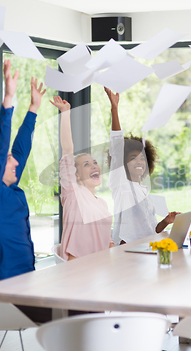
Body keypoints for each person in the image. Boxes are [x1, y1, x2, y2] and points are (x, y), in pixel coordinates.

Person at [0, 60, 45, 284]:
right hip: (2, 285)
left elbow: (21, 148)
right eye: (8, 160)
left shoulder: (9, 186)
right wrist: (8, 99)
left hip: (26, 278)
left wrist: (33, 109)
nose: (16, 163)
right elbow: (0, 148)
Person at [105, 87, 179, 245]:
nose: (139, 162)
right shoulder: (120, 183)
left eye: (142, 158)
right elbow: (117, 146)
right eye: (133, 158)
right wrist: (114, 108)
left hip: (146, 249)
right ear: (123, 163)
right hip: (126, 252)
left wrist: (167, 220)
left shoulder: (143, 191)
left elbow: (152, 230)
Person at [50, 95, 113, 260]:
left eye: (94, 162)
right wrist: (65, 113)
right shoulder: (72, 192)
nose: (93, 166)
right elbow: (68, 149)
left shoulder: (102, 204)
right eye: (86, 164)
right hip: (77, 272)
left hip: (102, 270)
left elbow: (109, 242)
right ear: (75, 174)